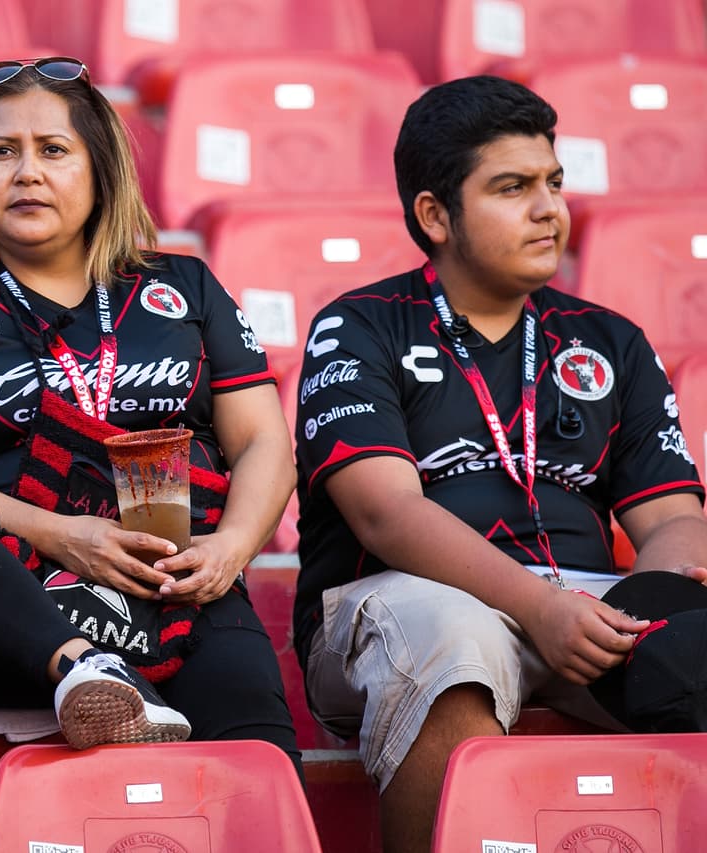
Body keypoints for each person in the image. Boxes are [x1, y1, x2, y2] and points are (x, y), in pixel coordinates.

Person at [292, 74, 707, 852]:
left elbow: (675, 516)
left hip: (584, 610)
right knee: (458, 636)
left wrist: (666, 593)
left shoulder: (608, 337)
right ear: (434, 215)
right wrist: (538, 607)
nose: (550, 209)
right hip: (402, 603)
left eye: (554, 182)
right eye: (513, 187)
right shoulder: (357, 327)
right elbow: (385, 512)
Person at [0, 56, 303, 776]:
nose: (26, 171)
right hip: (14, 598)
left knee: (260, 764)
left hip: (176, 585)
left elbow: (265, 446)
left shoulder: (184, 284)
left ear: (100, 172)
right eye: (1, 151)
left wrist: (227, 552)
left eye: (53, 150)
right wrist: (70, 537)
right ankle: (90, 674)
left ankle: (121, 680)